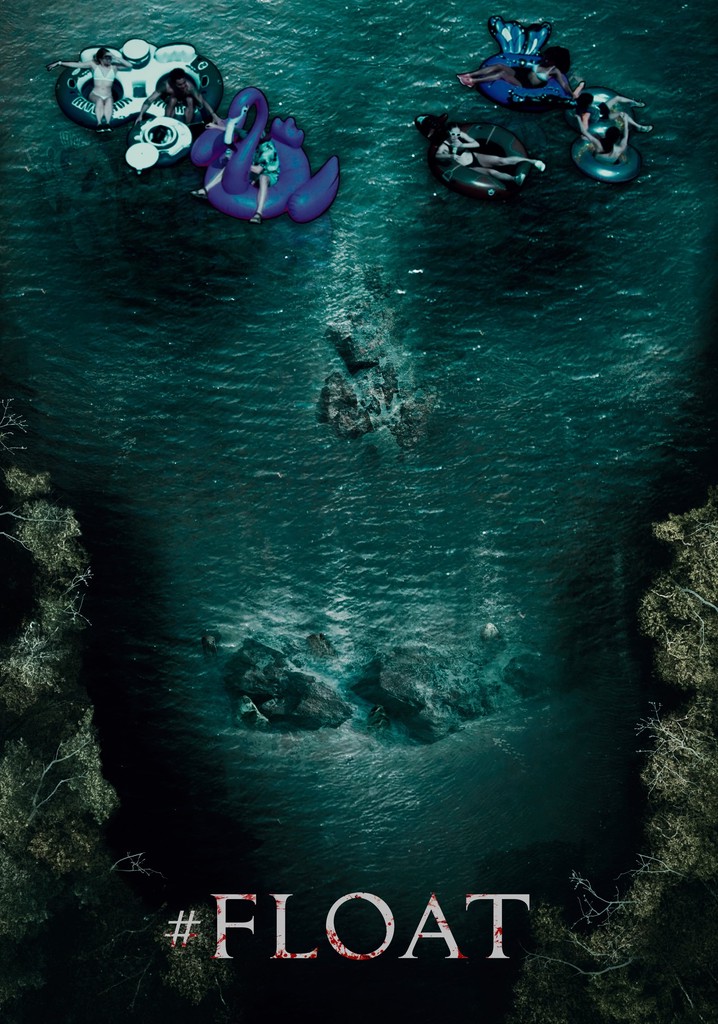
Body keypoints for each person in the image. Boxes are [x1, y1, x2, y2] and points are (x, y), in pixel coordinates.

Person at [191, 125, 280, 225]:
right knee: (230, 166)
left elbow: (258, 170)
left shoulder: (268, 150)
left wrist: (239, 163)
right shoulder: (250, 137)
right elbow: (234, 130)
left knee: (263, 178)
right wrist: (215, 126)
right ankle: (205, 190)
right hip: (252, 167)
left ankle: (259, 213)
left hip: (267, 173)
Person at [46, 47, 132, 130]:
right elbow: (76, 65)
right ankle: (99, 124)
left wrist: (116, 57)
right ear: (100, 59)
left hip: (108, 95)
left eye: (110, 57)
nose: (109, 59)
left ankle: (108, 124)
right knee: (99, 101)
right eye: (106, 57)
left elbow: (129, 66)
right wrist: (59, 63)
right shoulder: (94, 66)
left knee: (109, 101)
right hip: (95, 94)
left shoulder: (114, 67)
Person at [435, 124, 546, 185]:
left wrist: (463, 145)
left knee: (501, 160)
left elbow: (476, 144)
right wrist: (451, 155)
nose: (456, 136)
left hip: (475, 156)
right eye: (453, 134)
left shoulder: (461, 136)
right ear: (449, 133)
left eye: (458, 134)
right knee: (491, 172)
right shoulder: (445, 145)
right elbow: (437, 155)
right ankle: (515, 179)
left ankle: (534, 161)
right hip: (468, 166)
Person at [458, 48, 584, 100]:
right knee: (499, 66)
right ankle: (470, 75)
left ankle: (473, 82)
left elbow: (563, 84)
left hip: (525, 85)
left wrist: (571, 94)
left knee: (502, 73)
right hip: (521, 74)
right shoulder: (541, 61)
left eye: (548, 58)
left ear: (554, 61)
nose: (545, 58)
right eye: (546, 56)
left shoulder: (554, 71)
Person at [135, 68, 221, 127]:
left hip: (185, 98)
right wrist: (140, 115)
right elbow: (149, 100)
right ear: (173, 83)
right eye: (180, 84)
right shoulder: (165, 86)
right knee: (173, 99)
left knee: (190, 99)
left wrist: (213, 115)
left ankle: (187, 125)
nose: (183, 86)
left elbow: (201, 100)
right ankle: (167, 123)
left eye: (184, 82)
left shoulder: (189, 86)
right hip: (171, 98)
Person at [574, 92, 652, 134]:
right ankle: (638, 127)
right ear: (588, 104)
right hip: (602, 116)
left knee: (617, 98)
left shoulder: (579, 101)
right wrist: (578, 118)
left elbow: (575, 95)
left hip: (599, 109)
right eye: (591, 101)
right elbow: (584, 129)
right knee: (622, 114)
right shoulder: (586, 114)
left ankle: (634, 103)